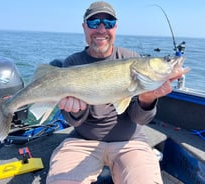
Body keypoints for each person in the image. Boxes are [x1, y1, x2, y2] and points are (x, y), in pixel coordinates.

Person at [46, 1, 186, 184]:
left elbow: (140, 120)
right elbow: (73, 120)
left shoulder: (132, 58)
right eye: (94, 23)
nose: (101, 29)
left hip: (130, 142)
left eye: (109, 23)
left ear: (116, 27)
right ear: (84, 27)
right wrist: (74, 110)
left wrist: (147, 98)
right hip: (82, 141)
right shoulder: (73, 62)